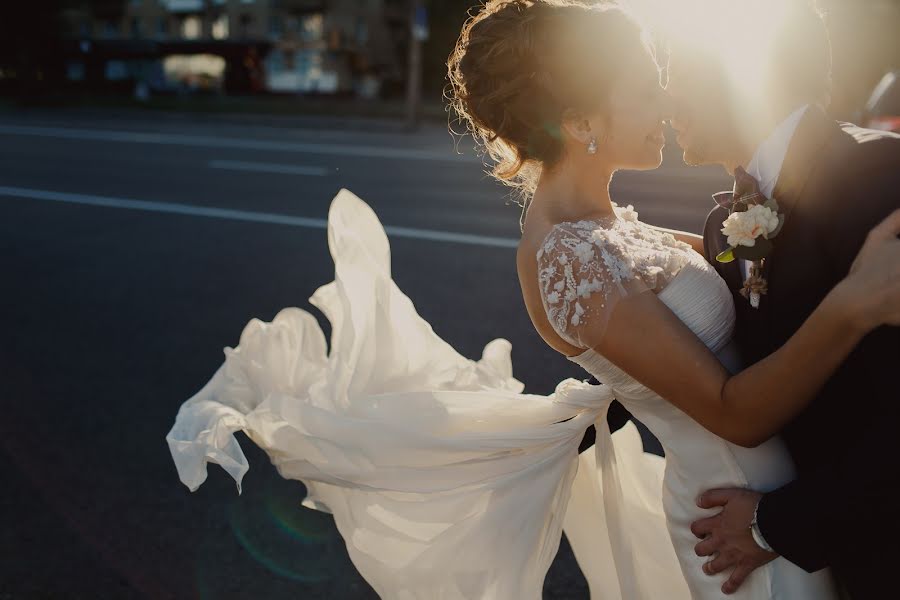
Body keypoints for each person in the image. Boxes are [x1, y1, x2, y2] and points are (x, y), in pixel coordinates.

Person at [167, 1, 900, 598]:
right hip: (735, 520)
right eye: (647, 87)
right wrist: (853, 304)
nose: (665, 102)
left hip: (785, 505)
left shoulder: (617, 230)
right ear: (581, 119)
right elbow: (732, 410)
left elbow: (730, 304)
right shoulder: (565, 255)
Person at [662, 2, 900, 596]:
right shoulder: (724, 223)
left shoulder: (876, 175)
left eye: (677, 77)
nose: (666, 101)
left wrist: (778, 523)